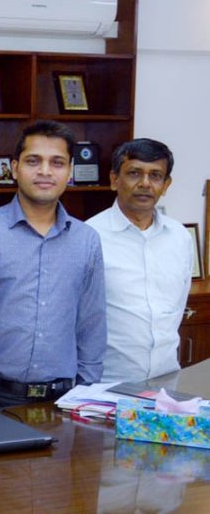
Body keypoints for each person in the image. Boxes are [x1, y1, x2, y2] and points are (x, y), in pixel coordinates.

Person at [0, 120, 106, 412]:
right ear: (14, 167)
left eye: (57, 162)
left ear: (70, 171)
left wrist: (84, 395)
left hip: (63, 400)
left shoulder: (87, 240)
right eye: (34, 161)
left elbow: (92, 324)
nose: (45, 171)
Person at [87, 139, 192, 382]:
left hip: (167, 379)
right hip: (105, 385)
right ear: (114, 180)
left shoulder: (179, 237)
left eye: (155, 176)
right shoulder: (89, 237)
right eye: (134, 173)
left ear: (166, 185)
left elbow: (177, 308)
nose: (145, 184)